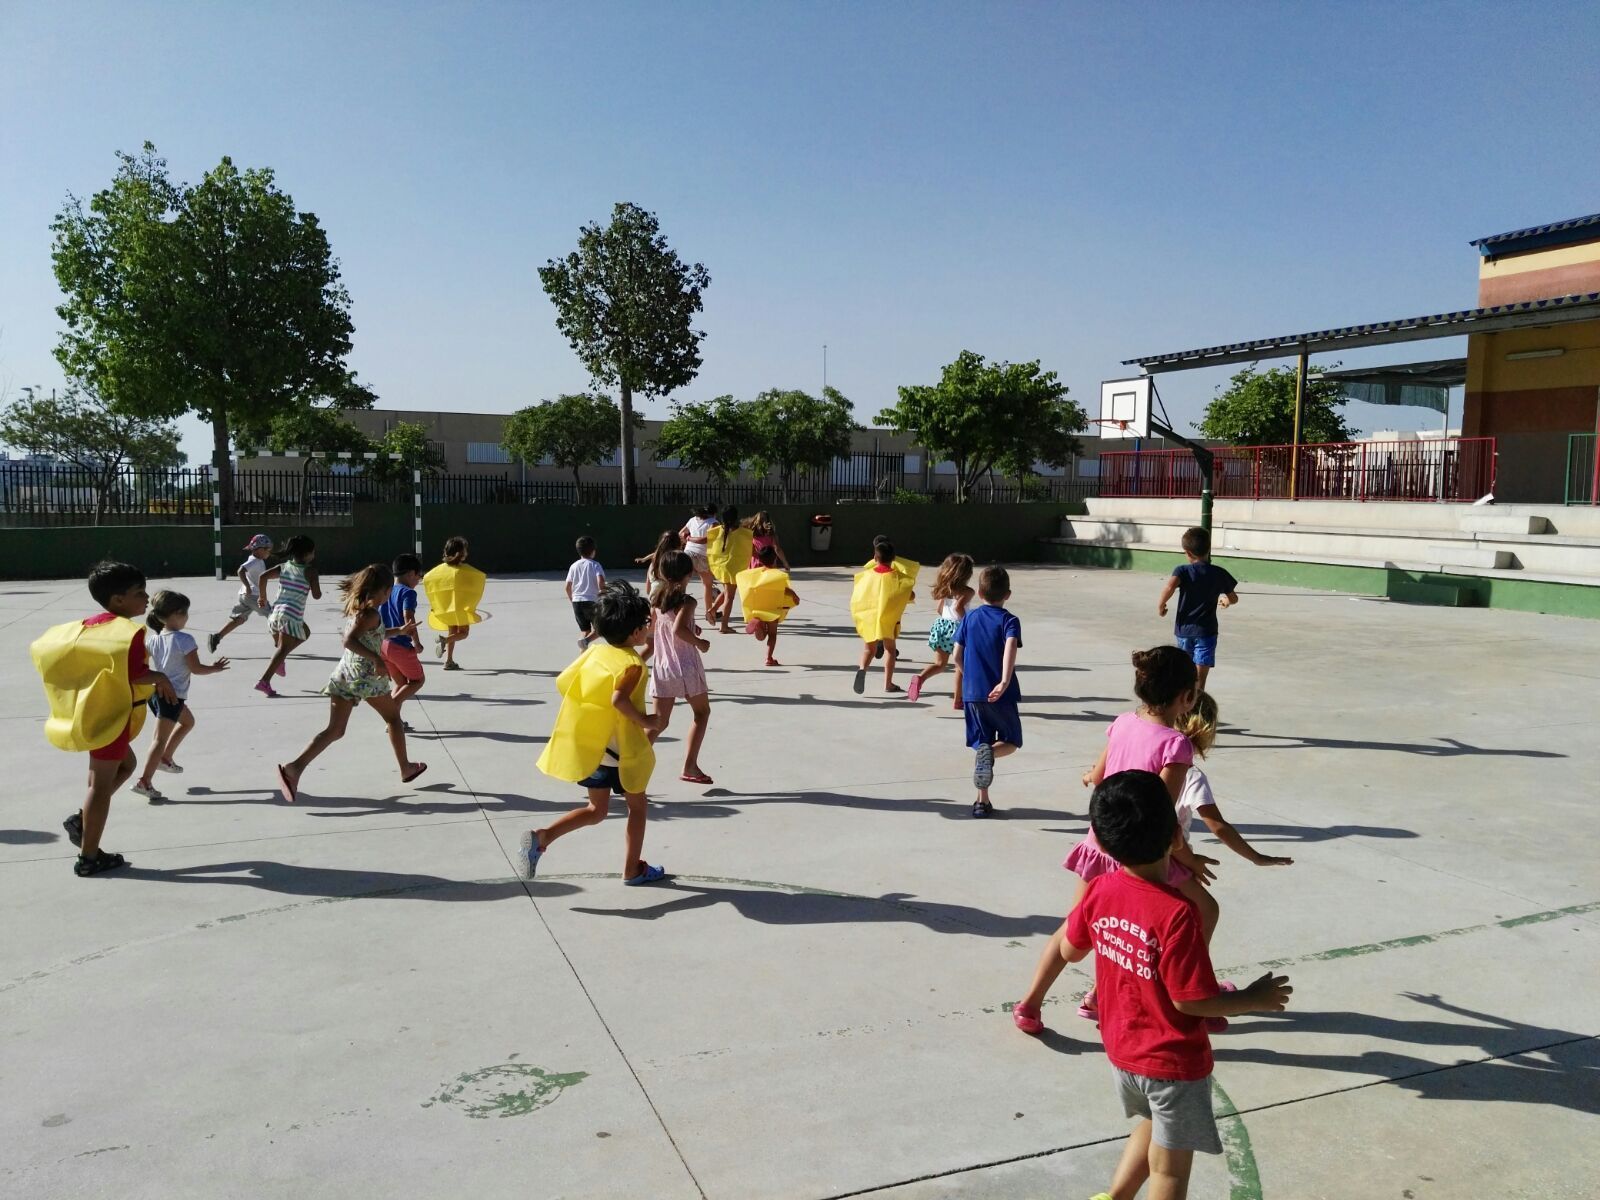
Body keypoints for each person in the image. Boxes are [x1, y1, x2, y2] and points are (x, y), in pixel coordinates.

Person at [1063, 770, 1292, 1200]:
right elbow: (1191, 1001)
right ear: (1175, 838)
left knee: (1152, 1123)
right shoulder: (1177, 913)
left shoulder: (1098, 889)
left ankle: (1114, 1197)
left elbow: (1072, 949)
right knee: (1169, 1174)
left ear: (1104, 842)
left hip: (1122, 1051)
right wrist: (1250, 999)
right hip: (1170, 1062)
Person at [1014, 646, 1213, 1035]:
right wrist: (1188, 859)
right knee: (1204, 910)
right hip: (1140, 854)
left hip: (1101, 843)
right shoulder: (1177, 746)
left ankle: (1030, 1004)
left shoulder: (1122, 723)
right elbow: (1161, 814)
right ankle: (1189, 991)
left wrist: (1090, 777)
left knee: (1075, 932)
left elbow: (1099, 771)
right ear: (1187, 697)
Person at [30, 561, 176, 876]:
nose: (146, 598)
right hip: (112, 717)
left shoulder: (89, 626)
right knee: (99, 785)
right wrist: (161, 678)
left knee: (127, 766)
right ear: (118, 600)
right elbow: (137, 674)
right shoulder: (128, 633)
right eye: (139, 593)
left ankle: (82, 820)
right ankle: (89, 857)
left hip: (95, 714)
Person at [524, 582, 668, 885]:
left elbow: (564, 682)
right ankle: (632, 869)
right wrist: (647, 721)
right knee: (638, 808)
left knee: (596, 810)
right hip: (622, 752)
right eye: (644, 623)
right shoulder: (632, 664)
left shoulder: (598, 653)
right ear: (634, 632)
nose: (647, 626)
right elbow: (619, 699)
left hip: (594, 749)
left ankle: (543, 837)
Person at [275, 563, 427, 802]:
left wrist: (400, 631)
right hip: (365, 678)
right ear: (384, 590)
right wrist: (377, 659)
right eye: (388, 591)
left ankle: (293, 769)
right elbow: (349, 640)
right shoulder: (370, 613)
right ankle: (406, 768)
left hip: (345, 675)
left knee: (335, 730)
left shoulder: (362, 611)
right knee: (394, 719)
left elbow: (374, 634)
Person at [132, 590, 230, 800]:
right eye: (186, 614)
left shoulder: (153, 640)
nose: (187, 618)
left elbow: (143, 664)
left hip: (156, 693)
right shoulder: (184, 639)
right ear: (177, 614)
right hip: (172, 696)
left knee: (188, 722)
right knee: (159, 739)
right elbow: (195, 668)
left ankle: (165, 758)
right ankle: (144, 781)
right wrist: (214, 669)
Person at [951, 564, 1021, 818]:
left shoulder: (969, 617)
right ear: (1008, 594)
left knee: (982, 743)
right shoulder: (1009, 620)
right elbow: (1010, 648)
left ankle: (981, 802)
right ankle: (989, 754)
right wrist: (1003, 682)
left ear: (979, 593)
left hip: (972, 693)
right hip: (1000, 695)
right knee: (1011, 741)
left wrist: (969, 676)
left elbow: (956, 654)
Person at [647, 550, 715, 784]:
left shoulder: (656, 599)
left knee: (658, 722)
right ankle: (690, 766)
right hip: (685, 665)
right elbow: (677, 630)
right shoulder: (688, 601)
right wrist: (701, 642)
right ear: (689, 575)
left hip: (663, 666)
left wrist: (689, 628)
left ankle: (624, 763)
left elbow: (656, 629)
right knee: (702, 712)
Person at [1158, 526, 1238, 691]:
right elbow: (1233, 598)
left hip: (1184, 631)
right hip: (1207, 632)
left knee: (1185, 672)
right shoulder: (1219, 572)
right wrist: (1226, 601)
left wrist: (1161, 604)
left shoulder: (1182, 571)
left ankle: (1183, 708)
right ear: (1209, 549)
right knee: (1200, 677)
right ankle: (1197, 704)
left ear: (1187, 553)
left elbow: (1170, 586)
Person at [255, 535, 320, 698]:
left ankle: (279, 660)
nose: (314, 555)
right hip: (291, 615)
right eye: (313, 552)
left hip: (275, 613)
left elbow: (262, 577)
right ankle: (264, 680)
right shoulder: (310, 571)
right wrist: (313, 583)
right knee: (283, 648)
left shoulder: (283, 567)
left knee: (305, 632)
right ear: (307, 554)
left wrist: (262, 598)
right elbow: (317, 595)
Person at [851, 539, 919, 694]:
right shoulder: (900, 579)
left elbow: (858, 595)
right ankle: (888, 684)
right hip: (888, 619)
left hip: (869, 616)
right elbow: (910, 595)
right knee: (890, 649)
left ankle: (862, 669)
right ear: (894, 559)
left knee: (869, 649)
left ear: (875, 558)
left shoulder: (865, 576)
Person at [908, 552, 974, 706]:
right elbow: (958, 607)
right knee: (960, 666)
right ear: (966, 574)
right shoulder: (968, 591)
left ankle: (920, 678)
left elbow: (939, 609)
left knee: (939, 664)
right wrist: (968, 622)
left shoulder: (945, 589)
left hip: (942, 626)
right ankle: (958, 700)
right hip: (958, 630)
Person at [424, 536, 485, 671]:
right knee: (463, 633)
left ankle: (449, 660)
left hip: (448, 607)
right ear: (461, 554)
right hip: (461, 608)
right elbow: (478, 578)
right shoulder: (465, 570)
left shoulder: (440, 570)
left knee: (453, 631)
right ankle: (444, 640)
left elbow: (429, 579)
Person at [208, 533, 274, 651]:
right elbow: (240, 571)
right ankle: (280, 645)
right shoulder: (255, 561)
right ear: (258, 550)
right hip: (254, 596)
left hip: (245, 596)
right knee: (273, 616)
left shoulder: (257, 560)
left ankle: (217, 637)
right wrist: (248, 586)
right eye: (267, 549)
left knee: (239, 619)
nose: (269, 552)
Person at [381, 553, 427, 723]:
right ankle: (392, 705)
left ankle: (393, 722)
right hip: (399, 645)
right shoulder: (408, 593)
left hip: (383, 644)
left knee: (400, 683)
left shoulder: (387, 590)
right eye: (418, 575)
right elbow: (408, 617)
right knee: (417, 680)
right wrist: (417, 643)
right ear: (410, 574)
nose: (419, 580)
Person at [736, 545, 799, 666]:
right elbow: (784, 590)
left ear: (759, 560)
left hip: (758, 608)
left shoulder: (754, 575)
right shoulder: (777, 576)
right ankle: (769, 658)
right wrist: (794, 596)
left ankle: (758, 623)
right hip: (773, 609)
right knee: (772, 635)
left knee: (761, 637)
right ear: (775, 559)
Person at [704, 506, 751, 633]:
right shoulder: (743, 532)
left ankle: (712, 610)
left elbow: (707, 541)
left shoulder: (717, 530)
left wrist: (689, 538)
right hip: (735, 568)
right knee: (729, 597)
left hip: (723, 567)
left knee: (727, 592)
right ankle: (724, 626)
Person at [678, 505, 720, 615]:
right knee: (707, 585)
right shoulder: (714, 522)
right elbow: (705, 540)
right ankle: (709, 612)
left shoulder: (692, 520)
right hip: (702, 556)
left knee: (683, 584)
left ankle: (679, 611)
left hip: (688, 554)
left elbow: (680, 534)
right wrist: (689, 538)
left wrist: (687, 538)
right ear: (714, 513)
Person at [565, 535, 606, 649]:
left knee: (585, 630)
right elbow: (601, 581)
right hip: (592, 601)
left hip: (577, 602)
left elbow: (568, 586)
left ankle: (582, 655)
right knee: (602, 628)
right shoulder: (595, 565)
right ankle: (587, 640)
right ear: (593, 551)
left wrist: (572, 599)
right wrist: (603, 594)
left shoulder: (573, 566)